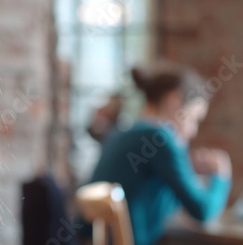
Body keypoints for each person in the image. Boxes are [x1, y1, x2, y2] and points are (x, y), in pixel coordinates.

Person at [85, 63, 232, 245]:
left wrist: (186, 168)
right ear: (174, 101)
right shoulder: (160, 138)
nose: (193, 131)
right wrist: (221, 175)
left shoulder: (126, 132)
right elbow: (203, 211)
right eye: (194, 119)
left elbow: (164, 200)